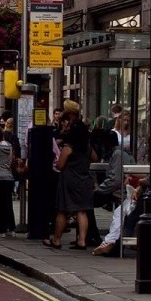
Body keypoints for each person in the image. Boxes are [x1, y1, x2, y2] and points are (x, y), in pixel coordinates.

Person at [49, 102, 94, 250]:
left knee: (63, 210)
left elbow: (60, 165)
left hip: (69, 180)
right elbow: (95, 157)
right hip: (84, 179)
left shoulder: (69, 147)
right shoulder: (87, 146)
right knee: (81, 210)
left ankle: (56, 240)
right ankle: (82, 241)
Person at [0, 116, 20, 235]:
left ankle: (1, 227)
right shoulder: (9, 146)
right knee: (8, 204)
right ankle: (11, 228)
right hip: (8, 178)